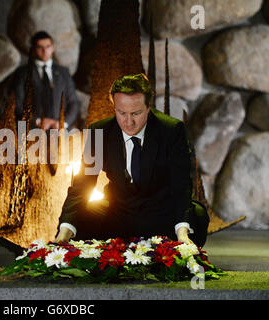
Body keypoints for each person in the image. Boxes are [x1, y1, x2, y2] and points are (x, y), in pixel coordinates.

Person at [55, 73, 209, 247]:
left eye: (136, 113)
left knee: (197, 215)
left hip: (159, 214)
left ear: (148, 107)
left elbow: (180, 186)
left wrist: (182, 233)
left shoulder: (172, 131)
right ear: (114, 107)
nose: (129, 122)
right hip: (117, 214)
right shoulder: (99, 132)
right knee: (80, 216)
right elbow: (82, 185)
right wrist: (64, 232)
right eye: (122, 113)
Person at [12, 31, 79, 130]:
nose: (45, 51)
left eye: (48, 46)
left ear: (53, 48)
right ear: (34, 50)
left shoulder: (63, 72)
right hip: (31, 130)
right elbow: (17, 104)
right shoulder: (22, 73)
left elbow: (73, 102)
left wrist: (63, 123)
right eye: (40, 47)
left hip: (59, 130)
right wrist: (37, 121)